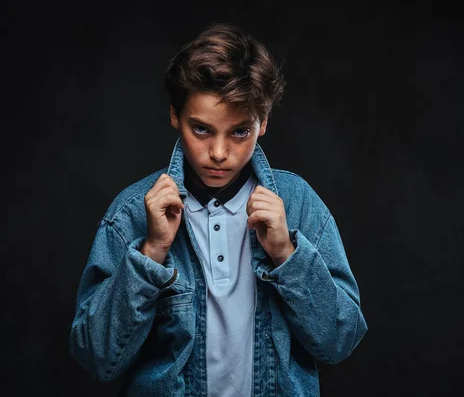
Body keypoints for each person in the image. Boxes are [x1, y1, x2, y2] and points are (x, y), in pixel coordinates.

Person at [69, 23, 367, 397]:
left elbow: (340, 341)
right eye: (202, 129)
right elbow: (96, 359)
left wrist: (286, 254)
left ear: (264, 123)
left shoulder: (299, 203)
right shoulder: (133, 211)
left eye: (240, 132)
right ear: (175, 116)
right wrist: (150, 254)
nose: (220, 153)